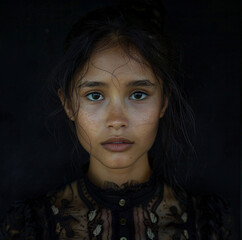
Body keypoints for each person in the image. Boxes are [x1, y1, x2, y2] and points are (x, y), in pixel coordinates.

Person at [0, 0, 231, 239]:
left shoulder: (207, 224)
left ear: (164, 101)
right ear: (68, 104)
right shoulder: (32, 226)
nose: (117, 120)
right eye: (95, 95)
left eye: (138, 94)